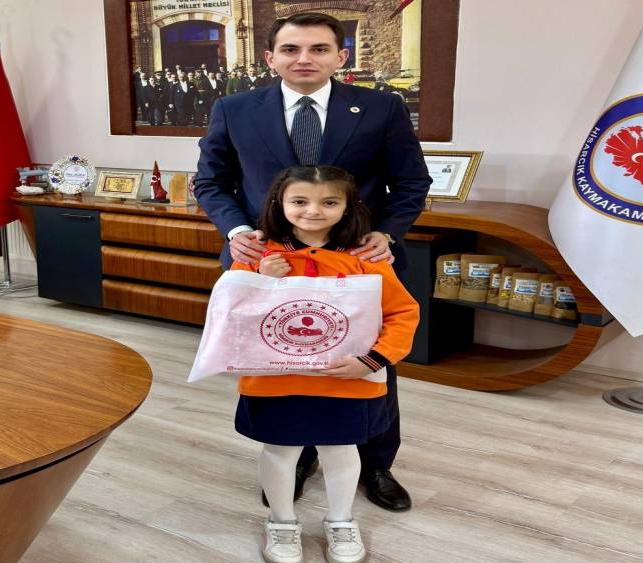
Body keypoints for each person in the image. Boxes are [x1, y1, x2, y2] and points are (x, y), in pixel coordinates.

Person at [194, 11, 432, 513]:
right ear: (270, 57)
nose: (304, 58)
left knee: (369, 362)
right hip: (269, 261)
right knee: (282, 355)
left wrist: (387, 233)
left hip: (357, 260)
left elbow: (412, 182)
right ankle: (296, 456)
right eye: (291, 49)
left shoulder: (381, 107)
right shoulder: (234, 109)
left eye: (319, 49)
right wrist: (236, 232)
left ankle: (376, 463)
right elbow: (211, 181)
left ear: (340, 56)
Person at [230, 165, 419, 563]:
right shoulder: (257, 256)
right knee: (280, 451)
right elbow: (229, 314)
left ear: (349, 206)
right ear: (279, 203)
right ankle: (281, 521)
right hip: (275, 380)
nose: (313, 211)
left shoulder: (365, 257)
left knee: (341, 451)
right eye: (300, 201)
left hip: (347, 380)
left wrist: (373, 360)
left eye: (329, 202)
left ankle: (341, 519)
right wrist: (260, 278)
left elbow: (402, 313)